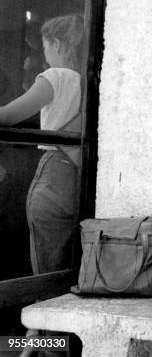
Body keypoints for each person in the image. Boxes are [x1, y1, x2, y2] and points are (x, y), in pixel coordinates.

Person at [0, 14, 83, 275]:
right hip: (76, 175)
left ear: (57, 44)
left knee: (46, 269)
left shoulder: (55, 76)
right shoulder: (86, 79)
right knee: (68, 266)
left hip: (53, 174)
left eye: (44, 45)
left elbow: (8, 116)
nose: (43, 51)